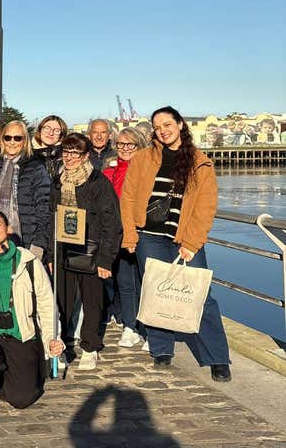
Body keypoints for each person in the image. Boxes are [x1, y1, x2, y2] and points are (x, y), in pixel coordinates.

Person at [120, 106, 231, 382]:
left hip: (184, 238)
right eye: (157, 127)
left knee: (202, 296)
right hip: (150, 237)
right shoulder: (144, 158)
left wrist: (192, 243)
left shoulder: (200, 162)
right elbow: (129, 198)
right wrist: (130, 234)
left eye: (167, 124)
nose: (163, 131)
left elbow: (206, 207)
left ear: (180, 124)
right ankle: (161, 350)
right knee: (156, 292)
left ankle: (217, 357)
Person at [0, 210, 64, 408]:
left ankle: (16, 374)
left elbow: (46, 304)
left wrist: (52, 338)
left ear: (8, 229)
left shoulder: (29, 261)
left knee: (21, 399)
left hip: (22, 336)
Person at [52, 133, 122, 371]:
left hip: (92, 251)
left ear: (85, 156)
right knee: (62, 301)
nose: (70, 157)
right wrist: (52, 255)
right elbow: (52, 217)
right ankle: (60, 345)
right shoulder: (57, 181)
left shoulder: (98, 182)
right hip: (64, 250)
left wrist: (106, 259)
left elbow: (111, 223)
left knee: (92, 302)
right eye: (66, 152)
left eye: (75, 153)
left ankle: (90, 346)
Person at [103, 128, 149, 348]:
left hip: (142, 232)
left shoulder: (147, 170)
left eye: (130, 144)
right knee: (125, 282)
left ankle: (148, 330)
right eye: (121, 144)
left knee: (145, 282)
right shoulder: (109, 172)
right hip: (118, 234)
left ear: (139, 145)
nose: (125, 149)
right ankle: (130, 326)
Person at [0, 120, 51, 261]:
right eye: (8, 137)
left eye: (18, 138)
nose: (12, 142)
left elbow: (44, 208)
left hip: (28, 240)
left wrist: (39, 243)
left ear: (25, 141)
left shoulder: (36, 169)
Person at [32, 115, 67, 182]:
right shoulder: (27, 153)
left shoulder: (65, 156)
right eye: (47, 128)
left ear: (61, 135)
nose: (51, 133)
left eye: (57, 131)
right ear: (40, 129)